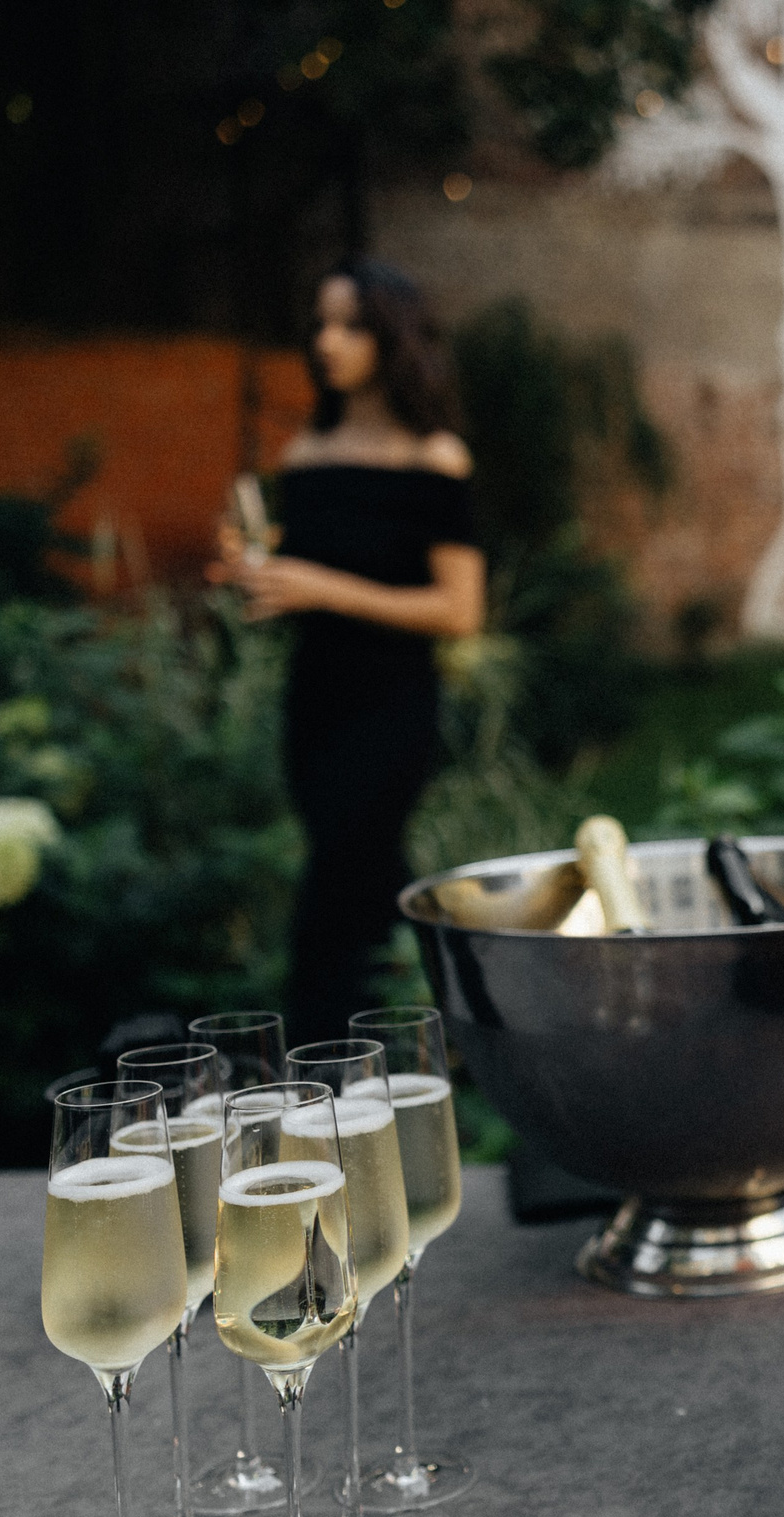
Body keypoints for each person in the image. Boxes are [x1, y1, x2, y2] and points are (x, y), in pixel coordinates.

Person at [214, 258, 485, 1045]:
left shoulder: (435, 458)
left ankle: (324, 1053)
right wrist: (260, 582)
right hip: (315, 700)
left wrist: (321, 586)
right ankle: (438, 1028)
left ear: (392, 338)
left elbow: (460, 610)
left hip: (392, 703)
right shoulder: (306, 454)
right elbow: (298, 583)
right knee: (359, 881)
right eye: (321, 323)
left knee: (340, 883)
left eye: (352, 324)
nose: (327, 341)